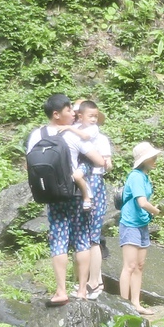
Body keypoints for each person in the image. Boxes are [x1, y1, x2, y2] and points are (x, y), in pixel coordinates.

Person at [25, 94, 90, 305]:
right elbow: (93, 158)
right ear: (56, 114)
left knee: (59, 240)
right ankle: (81, 291)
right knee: (81, 239)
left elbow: (30, 165)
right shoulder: (72, 134)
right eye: (69, 110)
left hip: (51, 194)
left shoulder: (37, 134)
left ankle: (61, 291)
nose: (73, 113)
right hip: (74, 192)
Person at [72, 99, 115, 299]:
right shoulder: (72, 132)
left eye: (95, 116)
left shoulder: (98, 136)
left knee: (93, 237)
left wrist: (102, 161)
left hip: (95, 182)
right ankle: (83, 282)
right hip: (77, 184)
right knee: (80, 235)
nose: (93, 119)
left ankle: (95, 282)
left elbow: (108, 164)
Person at [119, 142, 162, 307]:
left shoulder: (144, 176)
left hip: (142, 224)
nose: (155, 159)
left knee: (139, 266)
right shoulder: (136, 176)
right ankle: (124, 305)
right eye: (152, 157)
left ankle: (136, 303)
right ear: (144, 160)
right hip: (130, 225)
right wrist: (155, 211)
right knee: (129, 266)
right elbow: (142, 202)